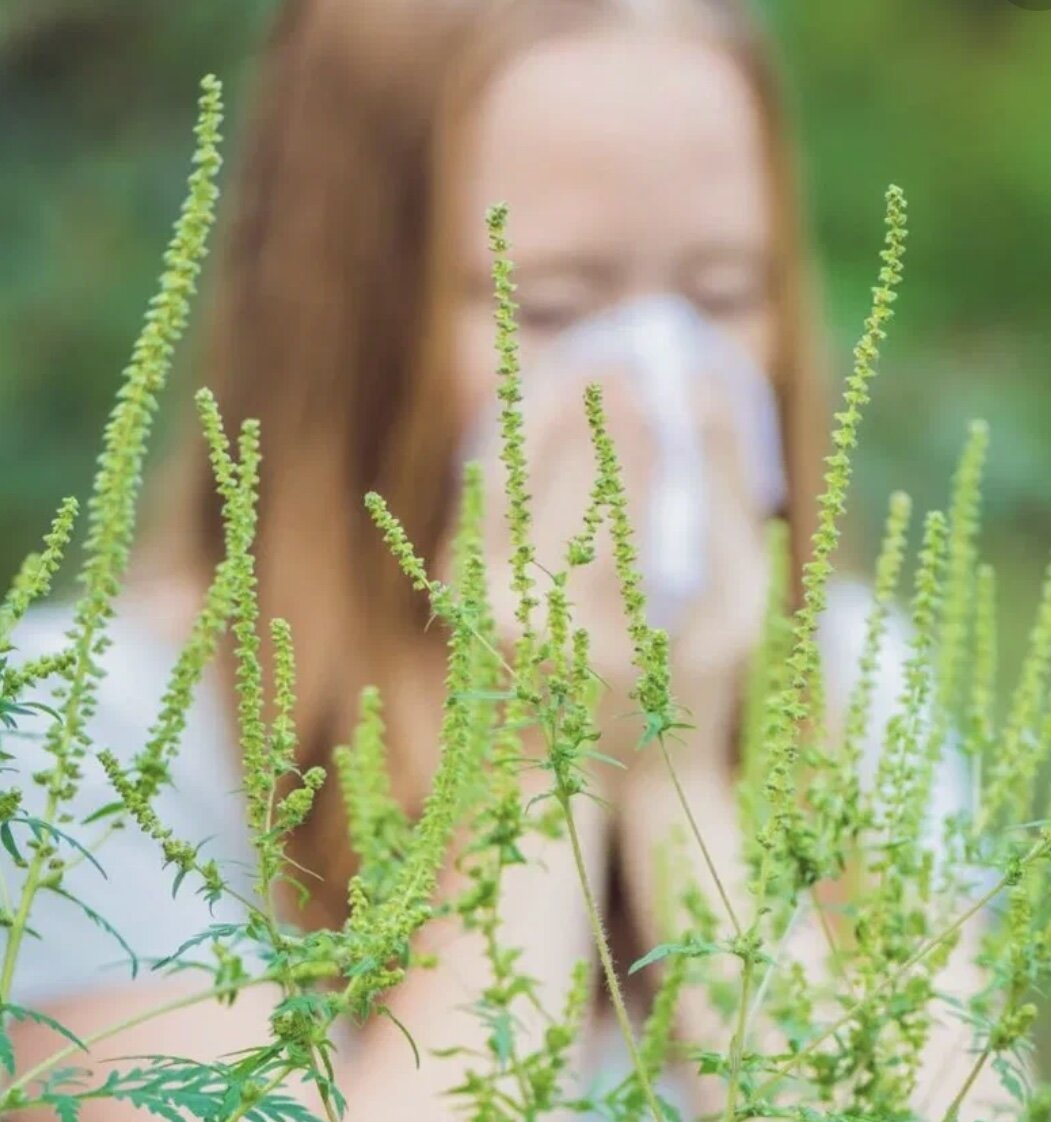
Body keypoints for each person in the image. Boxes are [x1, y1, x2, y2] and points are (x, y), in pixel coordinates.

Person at [5, 0, 1000, 1118]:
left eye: (721, 293)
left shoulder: (861, 684)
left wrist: (681, 772)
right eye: (557, 303)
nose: (651, 376)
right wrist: (540, 748)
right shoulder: (92, 737)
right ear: (344, 322)